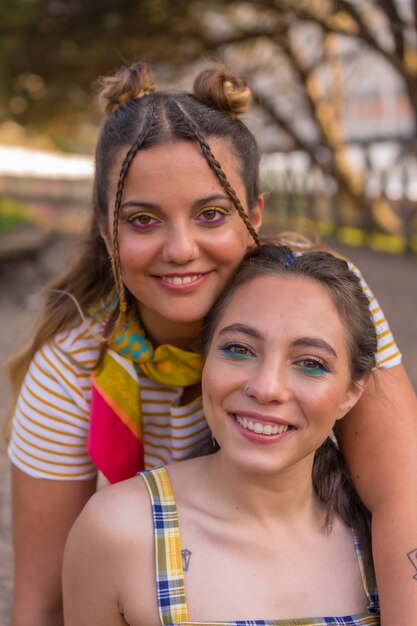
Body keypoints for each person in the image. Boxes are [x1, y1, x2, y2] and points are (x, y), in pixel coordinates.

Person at [7, 61, 417, 626]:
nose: (181, 248)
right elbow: (42, 606)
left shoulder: (324, 303)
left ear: (254, 216)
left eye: (211, 214)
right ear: (107, 233)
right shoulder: (69, 371)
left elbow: (404, 493)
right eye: (144, 219)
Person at [63, 243, 381, 625]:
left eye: (310, 363)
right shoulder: (119, 530)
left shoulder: (386, 536)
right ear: (205, 361)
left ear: (351, 392)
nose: (266, 388)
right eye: (239, 349)